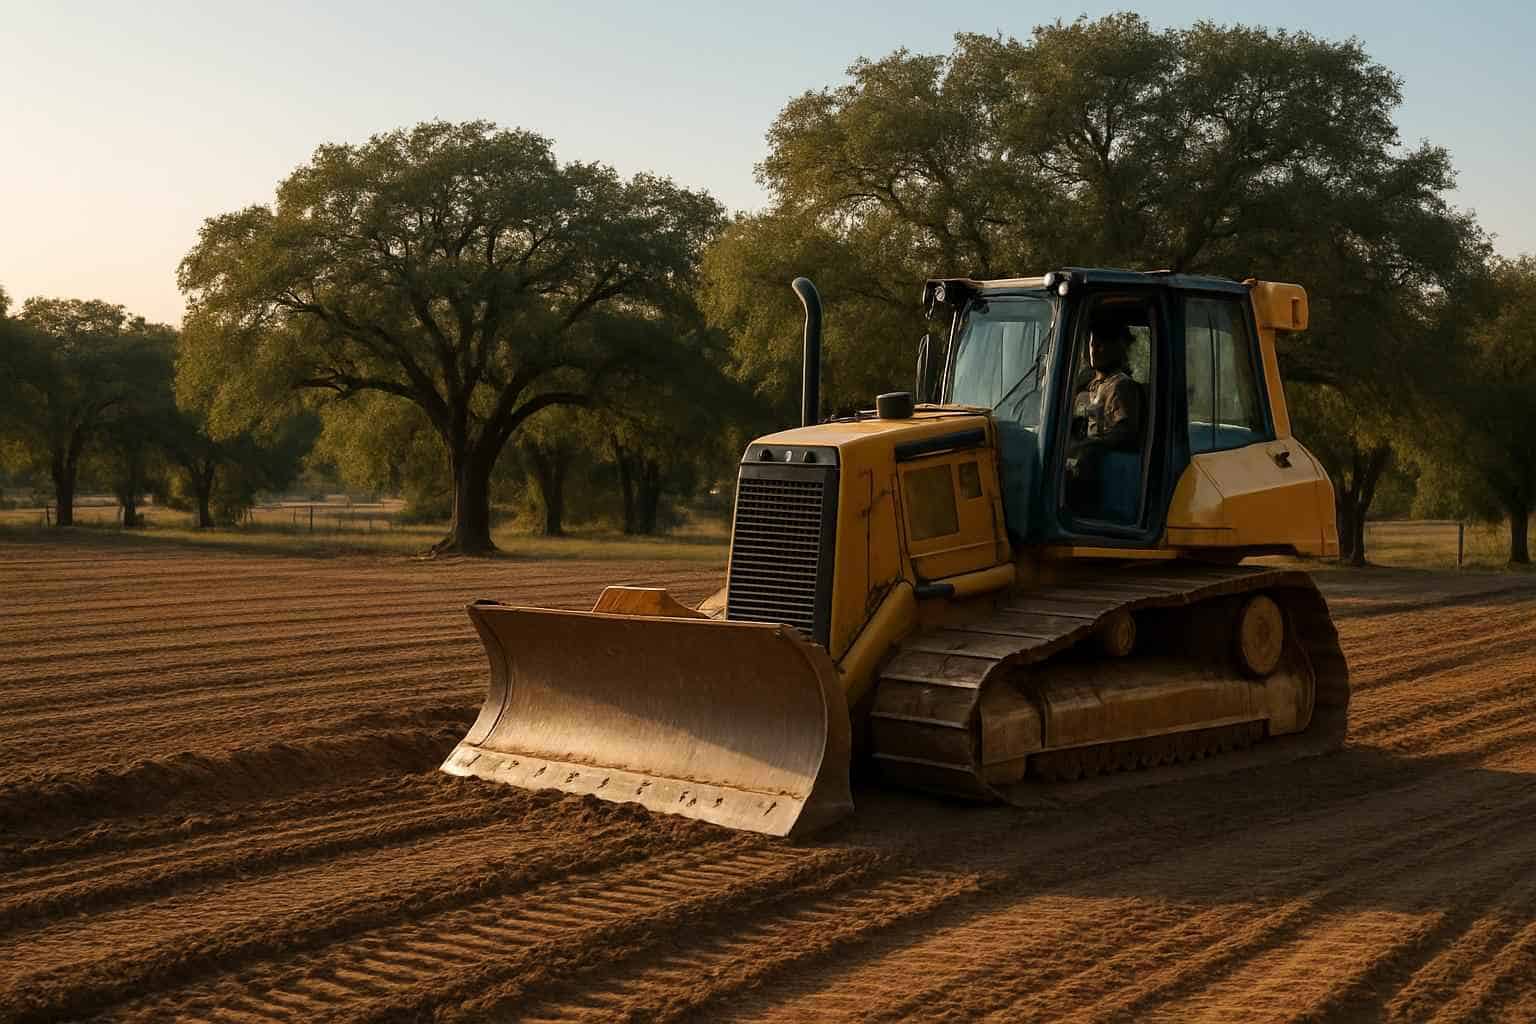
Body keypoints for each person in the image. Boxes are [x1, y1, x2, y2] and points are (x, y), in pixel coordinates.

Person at [1067, 320, 1144, 516]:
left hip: (1101, 462)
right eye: (1092, 344)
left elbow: (1126, 432)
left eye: (1101, 345)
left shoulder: (1120, 386)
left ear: (1117, 348)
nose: (1094, 350)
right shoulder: (1087, 384)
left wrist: (1090, 445)